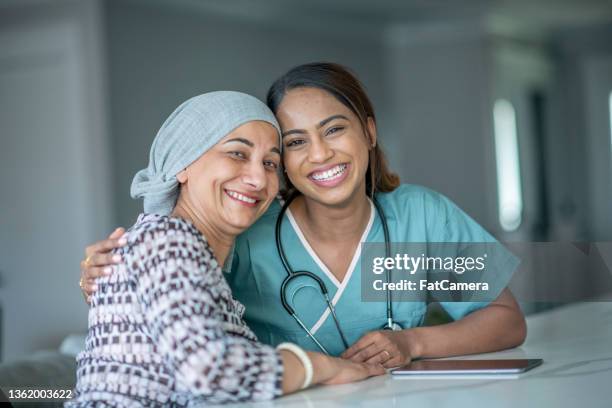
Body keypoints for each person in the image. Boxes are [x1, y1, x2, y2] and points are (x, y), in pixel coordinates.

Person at [80, 63, 526, 369]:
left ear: (368, 131)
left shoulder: (422, 215)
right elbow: (169, 303)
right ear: (283, 161)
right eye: (294, 143)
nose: (319, 154)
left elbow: (507, 319)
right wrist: (111, 276)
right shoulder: (246, 229)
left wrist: (412, 342)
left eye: (334, 129)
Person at [68, 91, 384, 407]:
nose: (259, 178)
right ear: (182, 164)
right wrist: (322, 366)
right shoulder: (168, 241)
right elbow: (208, 370)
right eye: (237, 154)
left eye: (270, 163)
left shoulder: (185, 251)